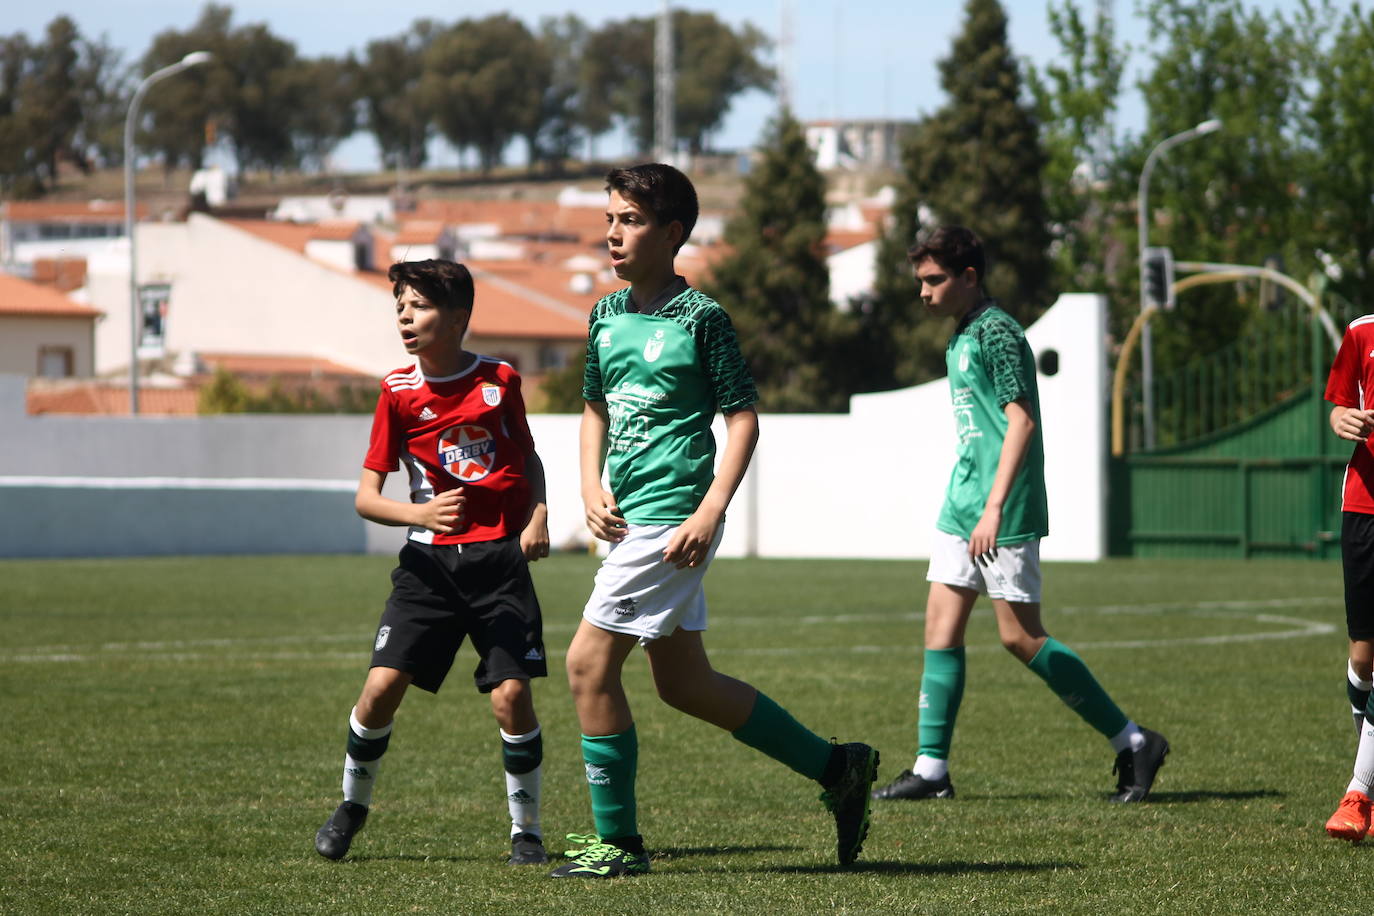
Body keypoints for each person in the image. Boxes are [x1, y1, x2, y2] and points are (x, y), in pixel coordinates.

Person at [548, 163, 879, 879]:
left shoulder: (703, 319)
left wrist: (710, 508)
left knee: (585, 664)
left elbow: (743, 419)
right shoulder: (605, 314)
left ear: (671, 234)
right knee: (684, 684)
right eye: (609, 219)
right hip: (630, 518)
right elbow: (594, 409)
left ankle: (620, 846)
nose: (612, 232)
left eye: (629, 220)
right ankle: (838, 767)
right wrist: (587, 484)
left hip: (672, 522)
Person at [871, 225, 1169, 805]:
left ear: (969, 277)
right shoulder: (960, 336)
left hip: (996, 511)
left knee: (1021, 637)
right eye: (920, 281)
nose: (924, 292)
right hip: (962, 505)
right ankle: (931, 769)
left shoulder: (999, 332)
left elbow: (1022, 421)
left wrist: (995, 507)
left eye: (934, 280)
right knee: (940, 628)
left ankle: (1134, 741)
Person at [314, 259, 553, 866]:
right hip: (428, 570)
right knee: (380, 689)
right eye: (399, 306)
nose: (404, 316)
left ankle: (525, 831)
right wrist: (418, 515)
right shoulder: (396, 393)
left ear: (458, 318)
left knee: (511, 698)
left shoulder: (500, 380)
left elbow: (529, 459)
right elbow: (367, 499)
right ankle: (351, 806)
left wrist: (540, 516)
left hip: (497, 567)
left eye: (417, 306)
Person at [1321, 314, 1374, 842]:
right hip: (1364, 506)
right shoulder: (1362, 332)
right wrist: (1344, 420)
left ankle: (1359, 792)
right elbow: (1339, 406)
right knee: (1364, 657)